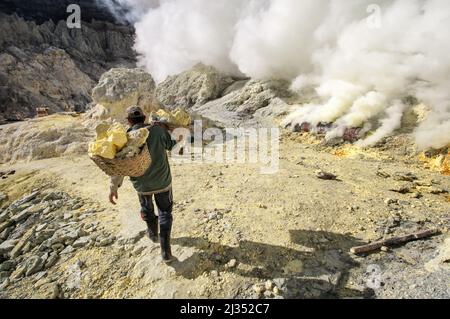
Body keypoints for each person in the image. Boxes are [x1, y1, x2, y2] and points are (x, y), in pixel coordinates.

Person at [109, 106, 180, 264]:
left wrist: (113, 188)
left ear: (128, 121)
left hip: (141, 186)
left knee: (146, 209)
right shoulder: (157, 131)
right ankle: (166, 253)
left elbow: (119, 167)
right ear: (145, 117)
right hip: (162, 182)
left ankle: (153, 234)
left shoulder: (125, 138)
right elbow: (174, 148)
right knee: (165, 213)